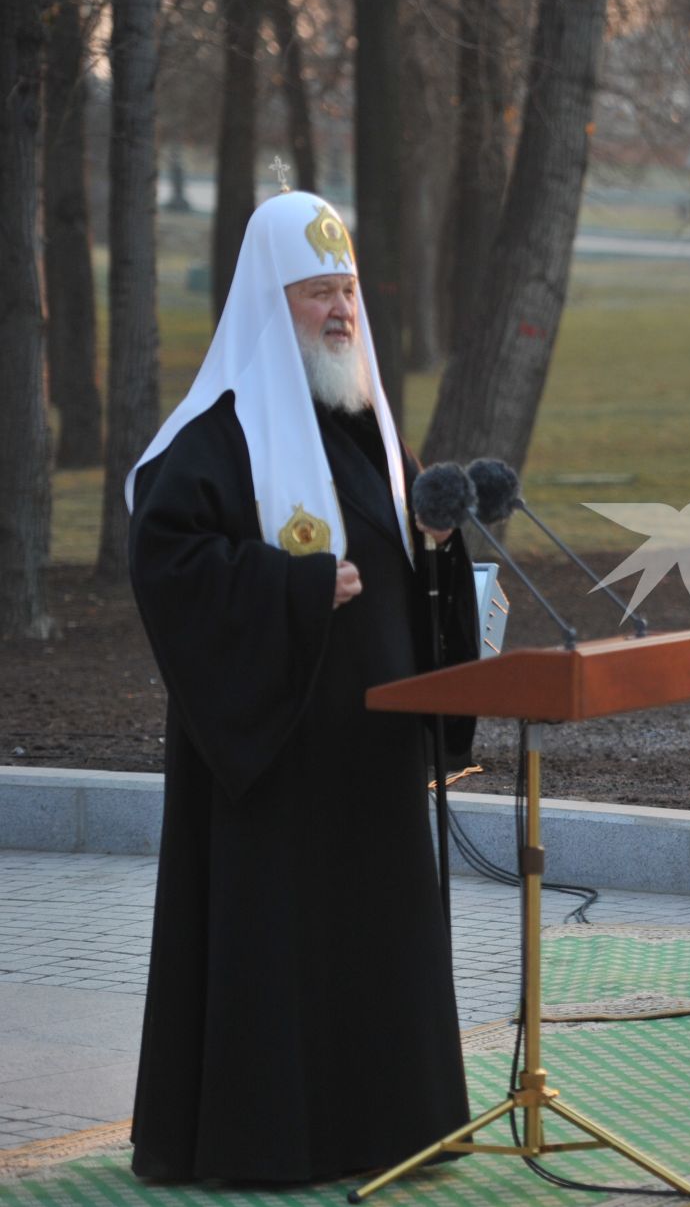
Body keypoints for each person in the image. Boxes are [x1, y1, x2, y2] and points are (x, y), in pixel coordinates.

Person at [124, 191, 478, 1182]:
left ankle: (389, 1125)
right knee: (281, 947)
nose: (340, 312)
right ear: (270, 303)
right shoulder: (216, 433)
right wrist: (294, 586)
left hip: (371, 749)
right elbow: (166, 557)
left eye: (348, 291)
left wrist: (436, 546)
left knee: (373, 944)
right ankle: (273, 1138)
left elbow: (406, 559)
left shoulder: (364, 422)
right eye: (319, 292)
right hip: (274, 753)